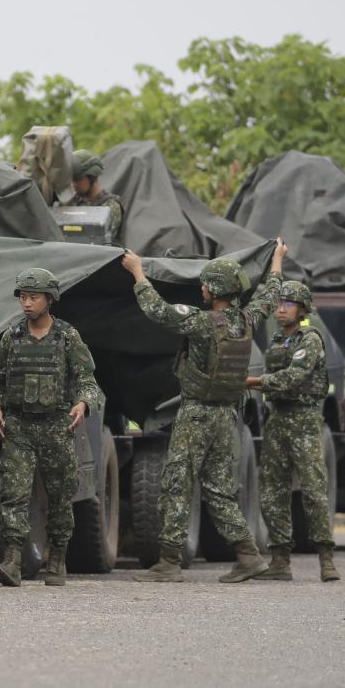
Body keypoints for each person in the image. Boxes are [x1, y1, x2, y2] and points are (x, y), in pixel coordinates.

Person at [123, 239, 287, 582]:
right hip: (228, 417)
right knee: (219, 489)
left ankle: (168, 563)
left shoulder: (201, 322)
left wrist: (137, 271)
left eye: (204, 284)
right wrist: (277, 261)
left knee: (176, 485)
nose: (200, 289)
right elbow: (270, 295)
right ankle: (247, 555)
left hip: (196, 415)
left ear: (215, 290)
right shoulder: (246, 319)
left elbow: (159, 311)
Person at [0, 268, 103, 587]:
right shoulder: (11, 337)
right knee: (13, 493)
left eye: (33, 297)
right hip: (20, 428)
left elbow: (87, 380)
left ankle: (58, 559)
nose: (26, 303)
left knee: (61, 496)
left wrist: (83, 403)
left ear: (49, 299)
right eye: (23, 297)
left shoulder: (68, 337)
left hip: (56, 427)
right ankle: (12, 560)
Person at [246, 280, 339, 582]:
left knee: (313, 491)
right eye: (280, 303)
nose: (281, 308)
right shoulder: (276, 340)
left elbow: (293, 378)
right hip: (278, 421)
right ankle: (280, 560)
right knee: (272, 492)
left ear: (302, 309)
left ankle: (326, 560)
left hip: (304, 423)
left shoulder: (310, 339)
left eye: (289, 303)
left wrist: (253, 382)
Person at [67, 150, 125, 244]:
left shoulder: (110, 206)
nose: (74, 184)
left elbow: (101, 242)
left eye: (78, 179)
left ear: (92, 176)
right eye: (72, 180)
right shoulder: (72, 202)